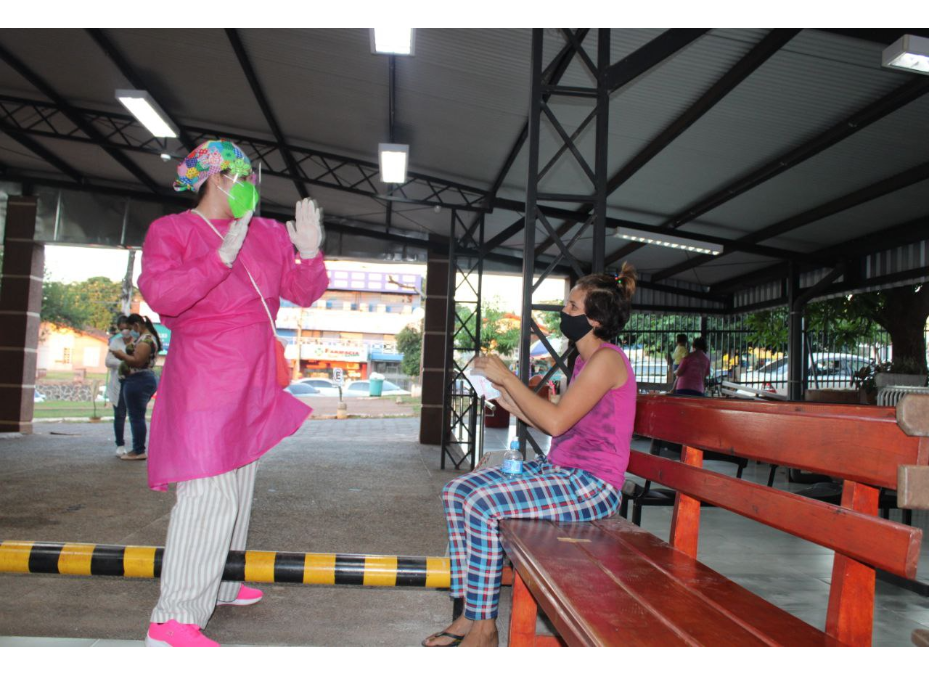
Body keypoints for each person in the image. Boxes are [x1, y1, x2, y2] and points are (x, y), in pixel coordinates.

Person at [138, 140, 329, 647]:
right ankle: (174, 617)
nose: (251, 185)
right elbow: (162, 296)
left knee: (240, 483)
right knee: (208, 491)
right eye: (241, 176)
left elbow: (302, 292)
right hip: (204, 373)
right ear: (213, 178)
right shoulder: (171, 230)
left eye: (252, 175)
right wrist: (217, 258)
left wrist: (308, 252)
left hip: (254, 371)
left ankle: (221, 581)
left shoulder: (266, 231)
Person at [424, 265, 638, 647]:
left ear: (595, 318)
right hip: (562, 471)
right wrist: (507, 399)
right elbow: (559, 422)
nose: (564, 312)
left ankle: (486, 629)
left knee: (483, 504)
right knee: (457, 491)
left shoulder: (607, 360)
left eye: (572, 306)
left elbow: (555, 424)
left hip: (592, 484)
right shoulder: (583, 361)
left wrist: (508, 377)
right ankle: (470, 614)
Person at [109, 314, 160, 460]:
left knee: (136, 416)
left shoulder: (145, 340)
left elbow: (137, 361)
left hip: (138, 379)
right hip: (140, 379)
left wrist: (121, 355)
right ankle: (138, 448)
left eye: (131, 328)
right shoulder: (146, 338)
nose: (130, 332)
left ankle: (139, 450)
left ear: (137, 325)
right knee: (136, 416)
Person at [105, 315, 132, 456]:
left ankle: (138, 446)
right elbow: (108, 361)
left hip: (135, 382)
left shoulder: (140, 341)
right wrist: (122, 362)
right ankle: (120, 444)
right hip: (120, 382)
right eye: (122, 329)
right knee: (120, 414)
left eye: (127, 328)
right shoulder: (115, 343)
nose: (125, 331)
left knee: (135, 415)